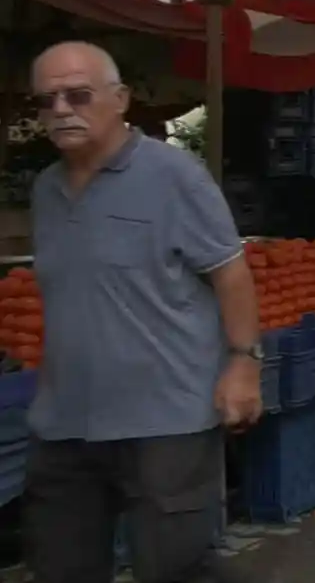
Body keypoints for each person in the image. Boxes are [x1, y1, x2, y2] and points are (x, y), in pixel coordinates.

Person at [26, 42, 263, 583]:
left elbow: (230, 272)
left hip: (166, 419)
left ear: (120, 99)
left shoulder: (174, 175)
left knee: (175, 567)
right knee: (59, 567)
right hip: (64, 420)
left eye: (78, 95)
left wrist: (244, 362)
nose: (61, 109)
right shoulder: (46, 189)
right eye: (46, 100)